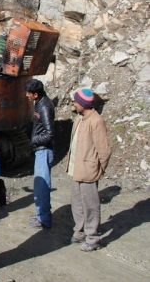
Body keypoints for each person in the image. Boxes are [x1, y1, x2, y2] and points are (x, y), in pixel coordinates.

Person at [66, 88, 111, 251]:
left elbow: (104, 150)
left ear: (83, 104)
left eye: (76, 102)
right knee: (77, 203)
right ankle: (80, 232)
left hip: (89, 171)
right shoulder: (80, 118)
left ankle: (93, 238)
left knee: (90, 206)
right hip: (76, 169)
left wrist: (98, 169)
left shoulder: (96, 121)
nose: (73, 104)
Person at [25, 79, 55, 229]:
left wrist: (33, 141)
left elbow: (50, 134)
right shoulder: (39, 103)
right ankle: (41, 215)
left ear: (35, 94)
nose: (26, 95)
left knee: (42, 186)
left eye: (29, 93)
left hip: (43, 150)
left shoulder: (44, 107)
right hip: (40, 149)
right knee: (39, 185)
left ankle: (44, 220)